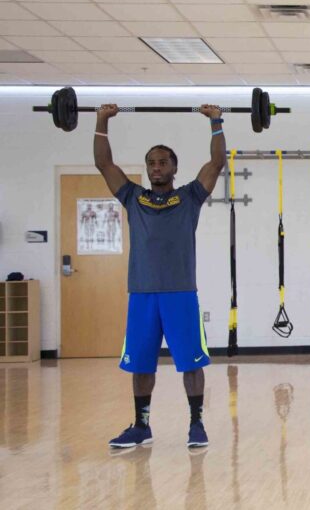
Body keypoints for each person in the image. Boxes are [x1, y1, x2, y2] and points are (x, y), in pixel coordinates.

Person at [94, 103, 226, 448]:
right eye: (151, 162)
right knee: (140, 363)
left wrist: (215, 122)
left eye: (163, 162)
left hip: (181, 293)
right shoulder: (132, 197)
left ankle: (196, 424)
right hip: (141, 294)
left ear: (174, 168)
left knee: (191, 363)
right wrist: (101, 121)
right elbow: (104, 164)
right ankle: (141, 426)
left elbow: (216, 163)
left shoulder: (190, 197)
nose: (156, 167)